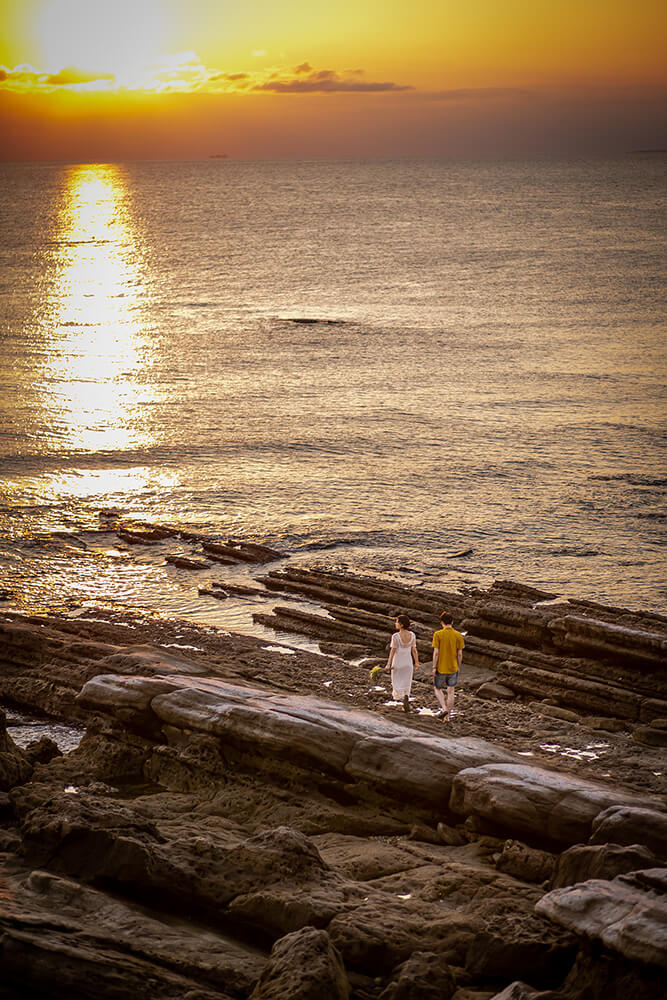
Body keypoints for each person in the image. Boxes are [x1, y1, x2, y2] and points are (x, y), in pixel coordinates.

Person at [432, 612, 465, 720]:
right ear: (452, 622)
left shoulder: (438, 634)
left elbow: (436, 652)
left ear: (442, 623)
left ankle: (444, 708)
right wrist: (458, 666)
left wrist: (434, 666)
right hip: (453, 667)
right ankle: (448, 716)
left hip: (441, 667)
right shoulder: (458, 635)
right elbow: (460, 654)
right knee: (451, 691)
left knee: (437, 688)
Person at [384, 613, 419, 712]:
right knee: (406, 683)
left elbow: (393, 651)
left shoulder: (395, 636)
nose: (395, 624)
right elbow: (414, 650)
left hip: (398, 663)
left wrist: (388, 664)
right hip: (408, 663)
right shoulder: (412, 635)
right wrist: (416, 663)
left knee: (397, 682)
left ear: (401, 624)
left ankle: (401, 697)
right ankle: (406, 696)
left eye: (397, 622)